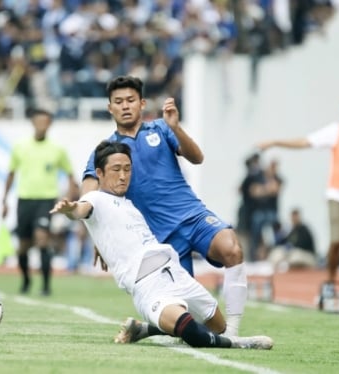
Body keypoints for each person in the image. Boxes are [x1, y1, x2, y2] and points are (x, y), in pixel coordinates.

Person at [52, 141, 273, 349]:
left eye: (127, 169)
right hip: (148, 286)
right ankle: (240, 343)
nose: (123, 176)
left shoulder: (129, 204)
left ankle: (144, 329)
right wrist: (70, 209)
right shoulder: (96, 199)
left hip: (175, 273)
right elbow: (82, 209)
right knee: (192, 332)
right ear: (99, 173)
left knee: (217, 327)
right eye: (116, 169)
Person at [81, 76, 249, 338]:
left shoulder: (161, 129)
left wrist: (177, 127)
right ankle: (146, 329)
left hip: (192, 217)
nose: (125, 106)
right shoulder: (106, 152)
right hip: (160, 241)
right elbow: (89, 197)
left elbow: (197, 157)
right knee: (185, 318)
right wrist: (98, 233)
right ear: (110, 108)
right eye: (118, 101)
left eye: (130, 100)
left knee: (232, 248)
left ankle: (235, 332)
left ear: (142, 103)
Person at [258, 98, 339, 299]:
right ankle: (330, 282)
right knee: (337, 240)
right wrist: (275, 142)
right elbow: (305, 142)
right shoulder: (336, 132)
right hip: (338, 195)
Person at [1, 108, 78, 296]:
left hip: (46, 200)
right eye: (39, 121)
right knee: (23, 246)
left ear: (50, 124)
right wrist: (4, 200)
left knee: (42, 239)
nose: (42, 125)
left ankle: (45, 285)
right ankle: (26, 280)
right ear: (33, 122)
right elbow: (11, 173)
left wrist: (66, 199)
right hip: (24, 200)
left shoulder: (57, 149)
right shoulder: (20, 146)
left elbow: (71, 177)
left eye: (46, 121)